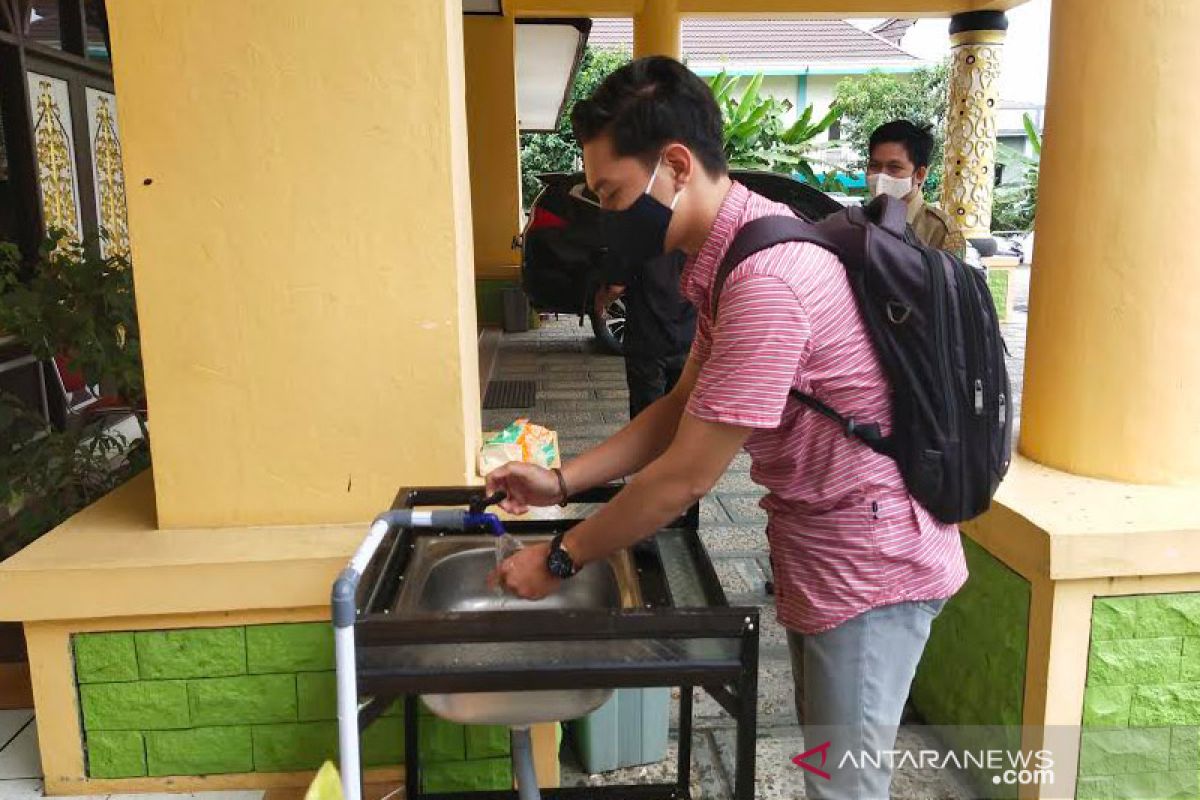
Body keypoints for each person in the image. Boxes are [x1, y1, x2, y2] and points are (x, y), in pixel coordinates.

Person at [486, 57, 967, 799]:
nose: (609, 216)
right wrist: (561, 479)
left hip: (871, 558)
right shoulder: (730, 254)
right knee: (829, 761)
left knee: (845, 785)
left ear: (675, 166)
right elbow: (681, 406)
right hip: (822, 541)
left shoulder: (767, 281)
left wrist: (559, 558)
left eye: (614, 193)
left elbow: (685, 476)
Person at [596, 247, 695, 419]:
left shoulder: (637, 229)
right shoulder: (697, 228)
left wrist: (600, 303)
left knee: (645, 418)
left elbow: (615, 288)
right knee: (679, 417)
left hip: (647, 340)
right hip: (688, 337)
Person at [866, 120, 968, 259]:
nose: (881, 176)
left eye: (894, 167)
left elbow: (951, 279)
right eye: (874, 166)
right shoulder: (861, 220)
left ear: (919, 174)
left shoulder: (942, 231)